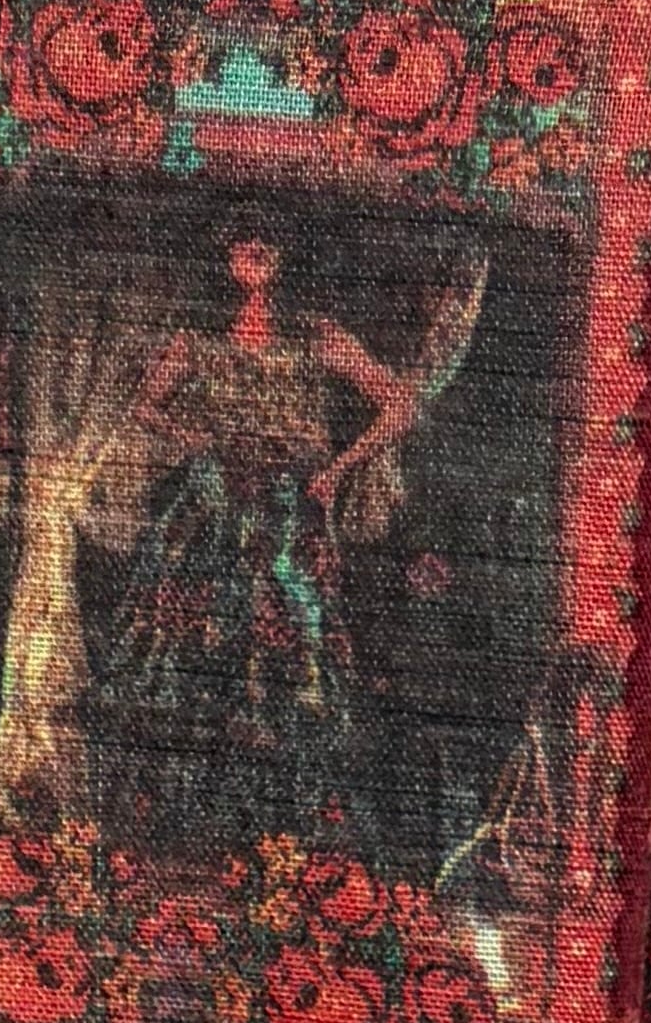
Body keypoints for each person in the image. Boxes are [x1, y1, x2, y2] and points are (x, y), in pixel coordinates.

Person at [101, 224, 423, 843]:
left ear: (287, 255)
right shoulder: (198, 339)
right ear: (223, 257)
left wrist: (337, 470)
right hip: (212, 504)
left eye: (267, 241)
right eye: (240, 241)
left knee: (295, 634)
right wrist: (192, 439)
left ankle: (293, 820)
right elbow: (142, 405)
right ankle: (188, 815)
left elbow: (401, 405)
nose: (254, 251)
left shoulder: (315, 335)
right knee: (190, 639)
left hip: (288, 506)